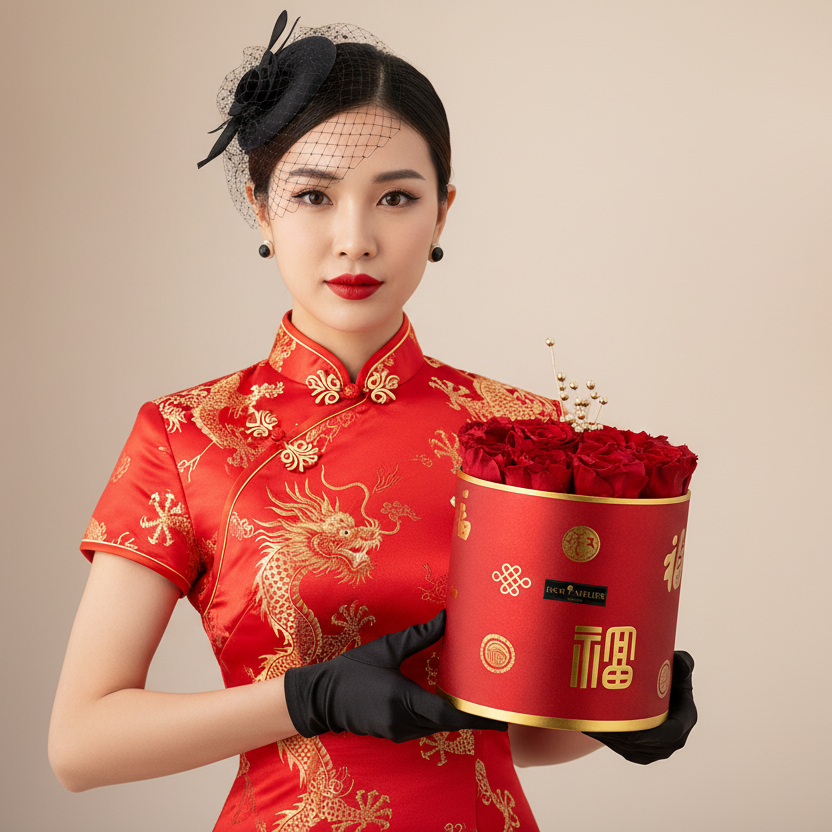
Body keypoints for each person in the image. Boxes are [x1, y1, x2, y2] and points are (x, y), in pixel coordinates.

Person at [49, 12, 696, 831]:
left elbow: (521, 735)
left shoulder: (520, 434)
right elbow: (80, 745)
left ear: (443, 212)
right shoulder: (187, 435)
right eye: (313, 196)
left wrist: (625, 712)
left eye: (396, 197)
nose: (354, 240)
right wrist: (305, 697)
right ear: (260, 209)